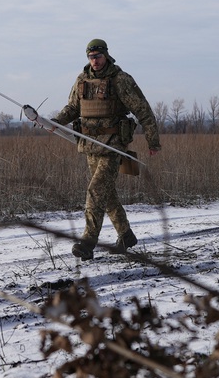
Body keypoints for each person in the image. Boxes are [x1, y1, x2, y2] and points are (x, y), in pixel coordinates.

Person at [53, 38, 161, 261]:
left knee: (95, 192)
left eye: (98, 56)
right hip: (90, 146)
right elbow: (73, 108)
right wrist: (54, 122)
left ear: (106, 55)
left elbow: (143, 110)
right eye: (91, 57)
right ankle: (126, 235)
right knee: (107, 194)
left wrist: (153, 141)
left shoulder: (120, 80)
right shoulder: (81, 80)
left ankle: (88, 242)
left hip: (112, 146)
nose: (95, 61)